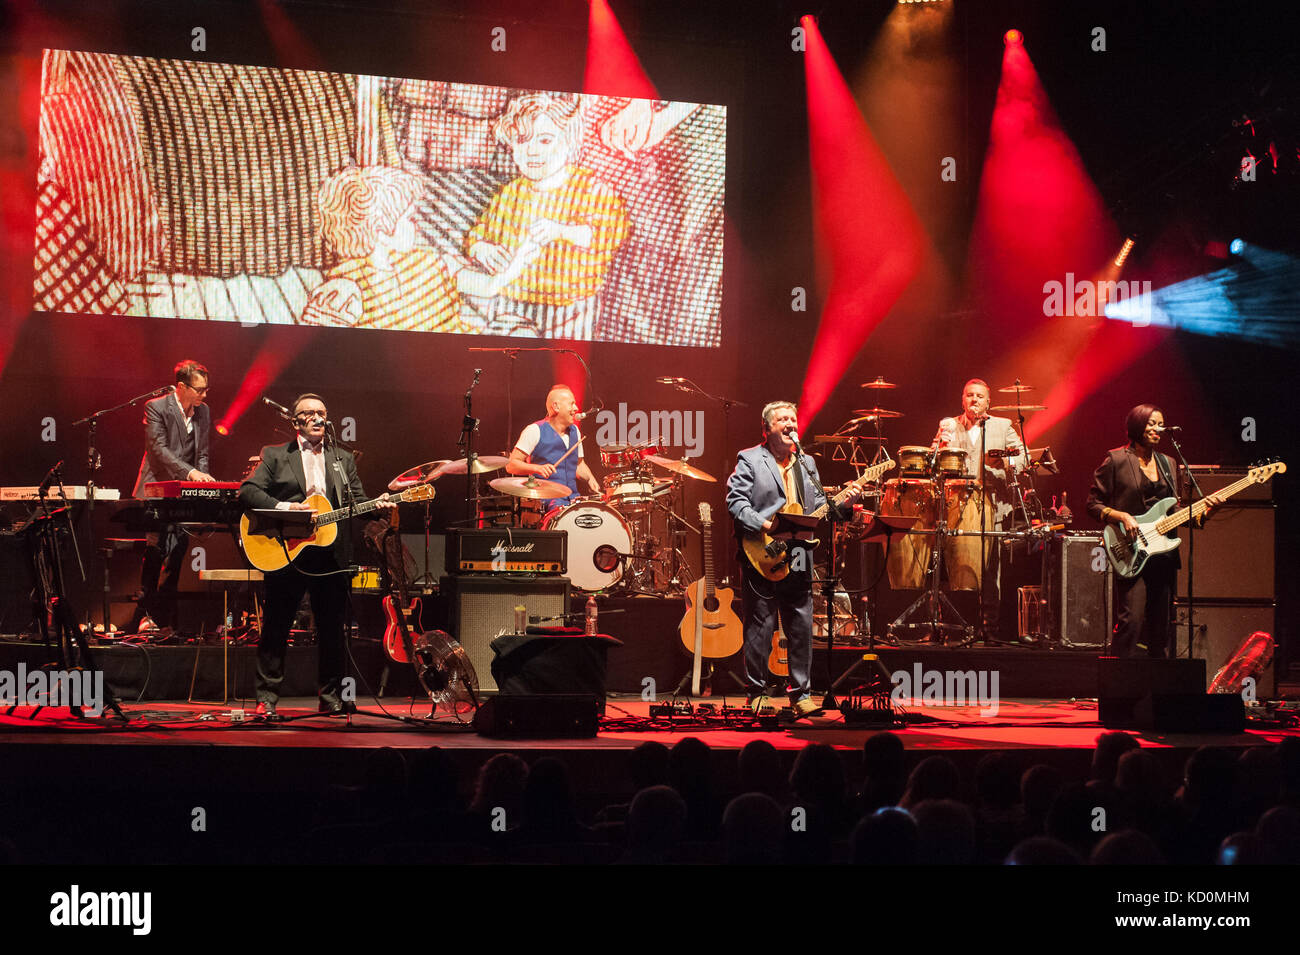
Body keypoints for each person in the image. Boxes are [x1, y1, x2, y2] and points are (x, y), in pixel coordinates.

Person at [239, 393, 394, 719]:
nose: (317, 418)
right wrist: (286, 508)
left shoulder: (342, 459)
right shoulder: (276, 455)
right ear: (295, 422)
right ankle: (265, 699)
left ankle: (331, 697)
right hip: (286, 550)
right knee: (276, 627)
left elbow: (357, 501)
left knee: (333, 628)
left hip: (332, 554)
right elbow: (247, 492)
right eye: (309, 413)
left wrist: (378, 507)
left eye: (322, 413)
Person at [726, 401, 861, 718]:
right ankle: (757, 692)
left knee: (800, 624)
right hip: (762, 552)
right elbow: (735, 502)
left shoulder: (807, 462)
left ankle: (800, 694)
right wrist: (766, 525)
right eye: (783, 419)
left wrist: (847, 502)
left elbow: (819, 507)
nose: (790, 423)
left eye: (793, 419)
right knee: (760, 624)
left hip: (799, 552)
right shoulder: (750, 459)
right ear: (767, 428)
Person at [466, 92, 629, 339]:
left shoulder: (590, 188)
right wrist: (481, 247)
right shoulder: (511, 193)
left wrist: (562, 231)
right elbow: (480, 230)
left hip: (569, 304)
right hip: (513, 299)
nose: (531, 151)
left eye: (544, 141)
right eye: (521, 140)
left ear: (569, 142)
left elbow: (608, 233)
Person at [1087, 404, 1220, 657]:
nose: (1158, 428)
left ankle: (1156, 688)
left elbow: (1174, 510)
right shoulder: (1116, 459)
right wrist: (1122, 516)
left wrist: (1206, 511)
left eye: (1161, 424)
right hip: (1131, 550)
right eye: (1152, 423)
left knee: (1161, 626)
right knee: (1132, 621)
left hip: (1163, 554)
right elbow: (1092, 505)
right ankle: (1119, 685)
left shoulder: (1168, 463)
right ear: (1137, 424)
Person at [128, 359, 216, 633]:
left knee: (177, 553)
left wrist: (203, 487)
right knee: (156, 551)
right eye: (199, 390)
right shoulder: (156, 407)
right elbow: (158, 450)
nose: (204, 395)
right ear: (181, 387)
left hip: (183, 493)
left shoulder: (204, 411)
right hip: (155, 489)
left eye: (206, 390)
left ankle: (163, 618)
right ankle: (146, 614)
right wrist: (190, 474)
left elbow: (201, 453)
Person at [930, 378, 1026, 626]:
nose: (974, 400)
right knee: (949, 563)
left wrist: (1004, 463)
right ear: (962, 399)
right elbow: (932, 459)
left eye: (979, 396)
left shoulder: (1003, 426)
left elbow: (1023, 457)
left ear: (988, 402)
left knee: (990, 568)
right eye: (969, 395)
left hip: (992, 506)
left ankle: (988, 625)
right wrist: (939, 447)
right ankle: (948, 622)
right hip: (954, 506)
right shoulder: (949, 425)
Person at [506, 384, 601, 512]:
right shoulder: (534, 431)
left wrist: (591, 480)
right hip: (547, 502)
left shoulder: (575, 431)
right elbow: (511, 465)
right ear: (556, 407)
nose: (576, 408)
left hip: (573, 499)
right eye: (571, 404)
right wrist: (537, 468)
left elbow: (579, 463)